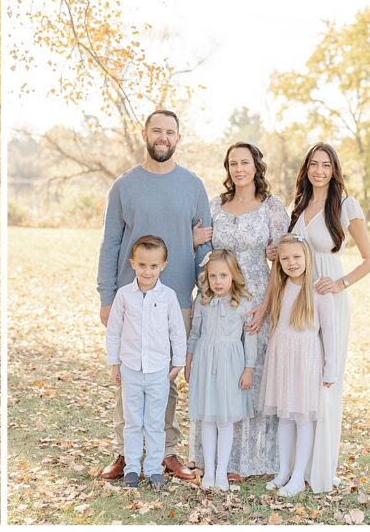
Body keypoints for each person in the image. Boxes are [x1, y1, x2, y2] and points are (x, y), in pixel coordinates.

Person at [97, 109, 211, 482]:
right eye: (157, 130)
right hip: (130, 297)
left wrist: (202, 291)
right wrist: (106, 295)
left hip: (177, 296)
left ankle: (168, 453)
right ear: (145, 133)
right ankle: (123, 452)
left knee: (167, 379)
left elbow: (203, 247)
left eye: (170, 132)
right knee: (128, 376)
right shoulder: (124, 186)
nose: (163, 137)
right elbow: (111, 243)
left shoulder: (193, 186)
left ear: (178, 138)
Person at [189, 142, 288, 479]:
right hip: (219, 298)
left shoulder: (272, 207)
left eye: (245, 162)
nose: (239, 169)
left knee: (250, 374)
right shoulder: (215, 205)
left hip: (258, 295)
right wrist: (193, 239)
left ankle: (245, 461)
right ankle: (216, 462)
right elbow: (203, 249)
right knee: (220, 373)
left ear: (256, 166)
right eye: (233, 163)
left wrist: (266, 304)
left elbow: (282, 262)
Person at [286, 143, 370, 493]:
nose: (319, 170)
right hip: (299, 300)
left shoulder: (345, 205)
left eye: (326, 165)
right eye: (314, 164)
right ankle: (297, 466)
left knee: (326, 380)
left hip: (329, 297)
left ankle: (320, 470)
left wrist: (341, 283)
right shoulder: (300, 204)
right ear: (306, 167)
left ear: (334, 169)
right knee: (302, 380)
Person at [258, 234, 338, 498]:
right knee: (285, 417)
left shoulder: (318, 289)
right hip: (282, 357)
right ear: (278, 262)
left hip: (306, 359)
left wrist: (331, 368)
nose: (291, 263)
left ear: (307, 258)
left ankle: (298, 476)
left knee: (302, 418)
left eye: (296, 257)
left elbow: (330, 332)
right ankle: (283, 470)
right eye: (285, 259)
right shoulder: (281, 288)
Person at [105, 235, 186, 490]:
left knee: (153, 422)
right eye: (142, 265)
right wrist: (114, 364)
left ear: (163, 265)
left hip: (158, 371)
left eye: (153, 266)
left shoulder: (168, 296)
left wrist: (179, 361)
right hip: (130, 368)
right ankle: (131, 468)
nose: (147, 271)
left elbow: (177, 331)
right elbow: (114, 330)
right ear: (133, 264)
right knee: (132, 422)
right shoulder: (124, 295)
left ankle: (152, 469)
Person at [185, 249, 256, 491]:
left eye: (223, 275)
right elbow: (194, 334)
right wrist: (188, 361)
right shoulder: (203, 301)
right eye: (213, 275)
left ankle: (222, 471)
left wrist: (249, 368)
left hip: (231, 366)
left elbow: (251, 339)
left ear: (234, 276)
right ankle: (209, 471)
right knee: (207, 418)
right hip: (205, 364)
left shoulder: (244, 302)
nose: (218, 281)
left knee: (225, 420)